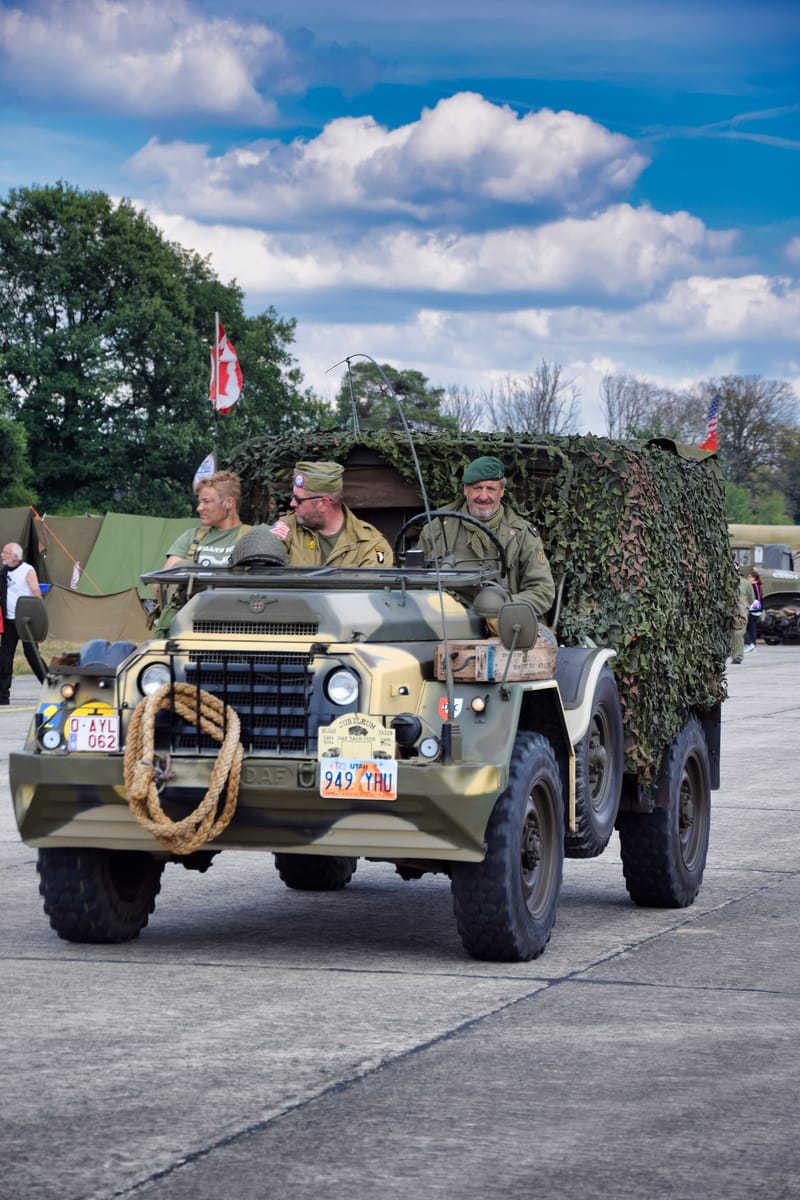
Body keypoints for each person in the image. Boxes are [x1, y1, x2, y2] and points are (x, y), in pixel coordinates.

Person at [417, 455, 555, 618]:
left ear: (501, 491)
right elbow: (416, 581)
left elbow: (543, 591)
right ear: (465, 489)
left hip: (503, 622)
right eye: (477, 488)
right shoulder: (437, 529)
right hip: (447, 621)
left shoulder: (522, 534)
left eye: (490, 489)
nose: (483, 496)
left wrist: (503, 605)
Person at [271, 461, 393, 567]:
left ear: (323, 504)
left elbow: (370, 591)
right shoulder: (288, 527)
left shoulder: (370, 544)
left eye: (298, 499)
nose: (292, 503)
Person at [163, 471, 251, 569]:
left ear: (229, 503)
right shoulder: (191, 537)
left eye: (206, 501)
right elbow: (163, 582)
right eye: (200, 502)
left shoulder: (256, 535)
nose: (199, 508)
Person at [0, 542, 46, 703]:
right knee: (5, 657)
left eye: (5, 552)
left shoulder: (27, 570)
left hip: (26, 620)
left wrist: (40, 617)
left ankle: (50, 686)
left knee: (32, 655)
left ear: (15, 556)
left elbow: (36, 593)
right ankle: (3, 695)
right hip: (9, 621)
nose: (2, 555)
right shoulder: (4, 572)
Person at [731, 571, 755, 664]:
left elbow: (751, 598)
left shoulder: (745, 583)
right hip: (729, 609)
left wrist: (744, 606)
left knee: (738, 633)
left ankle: (738, 656)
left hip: (740, 611)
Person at [744, 569, 763, 654]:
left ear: (754, 578)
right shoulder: (757, 585)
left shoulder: (754, 586)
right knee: (752, 627)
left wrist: (750, 606)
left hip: (753, 610)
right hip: (756, 610)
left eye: (750, 577)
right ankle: (753, 645)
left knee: (746, 627)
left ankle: (749, 644)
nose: (748, 578)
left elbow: (757, 598)